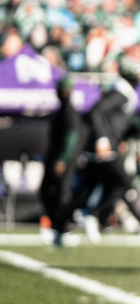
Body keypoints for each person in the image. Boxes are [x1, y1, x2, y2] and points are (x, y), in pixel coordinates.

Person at [55, 64, 140, 245]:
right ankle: (93, 215)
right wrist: (103, 139)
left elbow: (118, 123)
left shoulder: (122, 94)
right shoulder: (120, 93)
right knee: (124, 183)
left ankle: (61, 226)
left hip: (105, 148)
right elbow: (96, 112)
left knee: (86, 190)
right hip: (105, 150)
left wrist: (128, 135)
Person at [39, 76, 85, 244]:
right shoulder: (63, 109)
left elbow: (71, 136)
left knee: (61, 193)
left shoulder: (68, 110)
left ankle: (65, 227)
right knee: (48, 191)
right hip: (56, 157)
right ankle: (58, 225)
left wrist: (63, 158)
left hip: (62, 159)